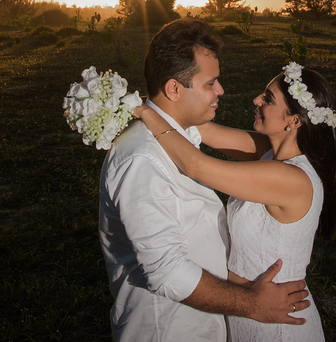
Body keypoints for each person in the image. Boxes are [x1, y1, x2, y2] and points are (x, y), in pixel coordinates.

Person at [99, 18, 311, 341]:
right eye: (210, 83)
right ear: (173, 88)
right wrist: (252, 303)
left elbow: (268, 149)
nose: (220, 90)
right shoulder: (142, 158)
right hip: (169, 329)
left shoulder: (182, 134)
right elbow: (169, 273)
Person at [133, 60, 336, 342]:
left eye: (267, 99)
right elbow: (203, 129)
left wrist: (145, 112)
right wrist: (148, 100)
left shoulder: (292, 179)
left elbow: (196, 165)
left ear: (294, 121)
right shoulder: (269, 152)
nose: (256, 100)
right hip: (250, 310)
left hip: (277, 324)